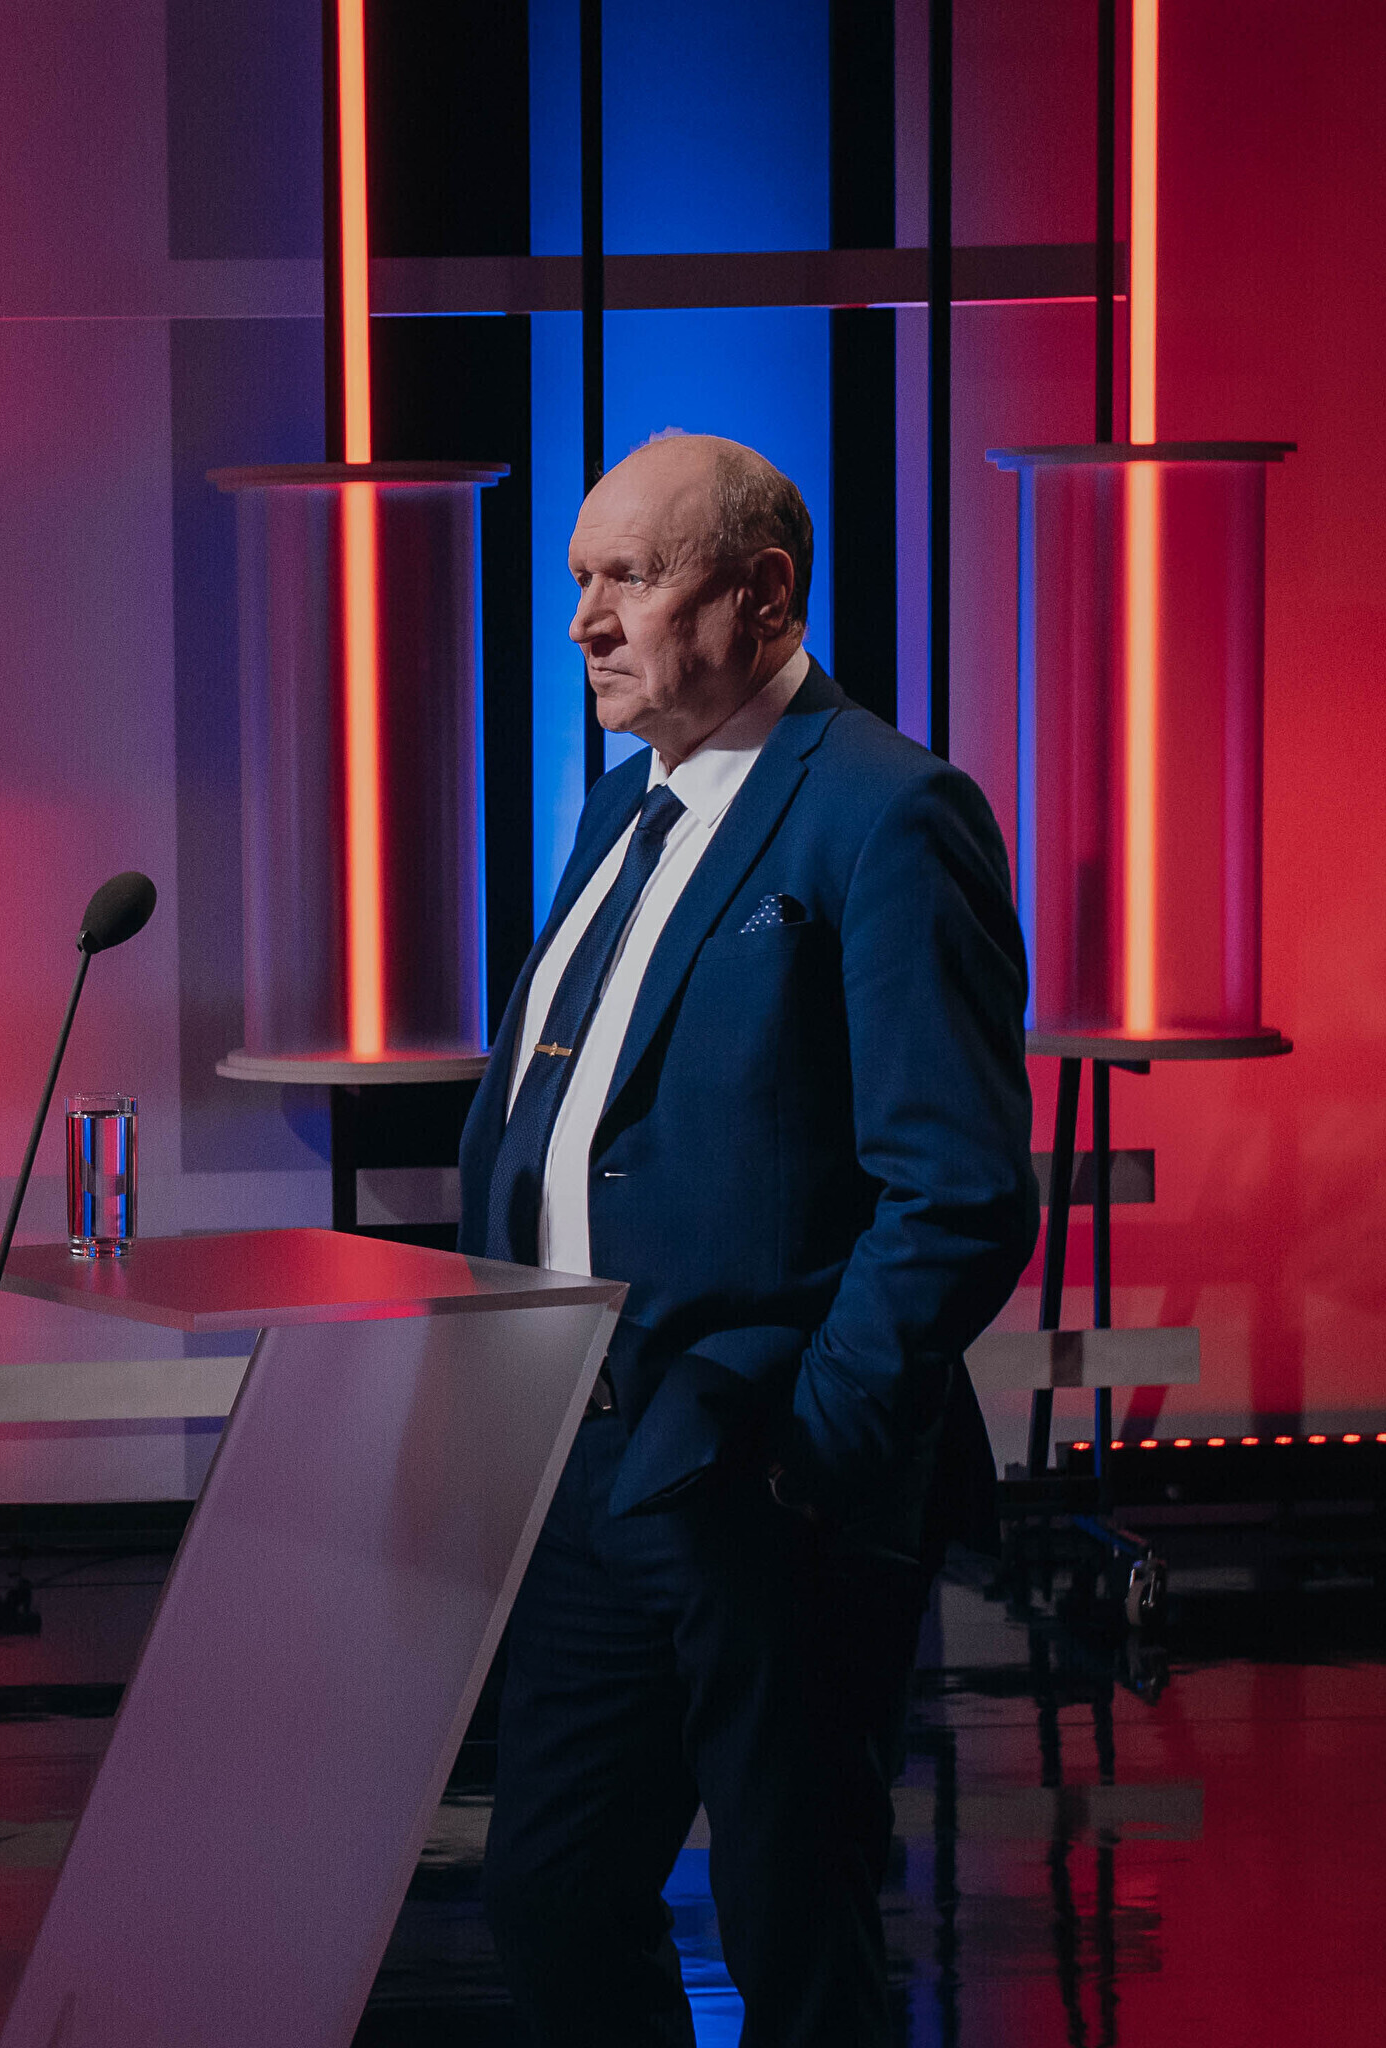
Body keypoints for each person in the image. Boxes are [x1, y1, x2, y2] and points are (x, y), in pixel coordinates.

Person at [455, 432, 1037, 2044]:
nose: (583, 621)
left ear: (764, 594)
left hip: (759, 1474)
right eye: (578, 580)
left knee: (794, 1928)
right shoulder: (620, 809)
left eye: (628, 579)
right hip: (584, 1457)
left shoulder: (885, 812)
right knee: (552, 1897)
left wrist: (808, 1447)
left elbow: (958, 1189)